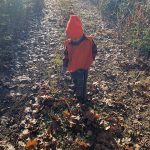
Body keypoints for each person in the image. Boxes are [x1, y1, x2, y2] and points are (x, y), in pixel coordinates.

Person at [62, 15, 97, 103]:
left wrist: (91, 58)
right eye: (72, 38)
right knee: (75, 78)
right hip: (73, 67)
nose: (74, 39)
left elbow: (94, 49)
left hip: (84, 66)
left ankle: (81, 96)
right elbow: (66, 55)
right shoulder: (69, 44)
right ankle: (76, 86)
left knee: (83, 82)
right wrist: (65, 65)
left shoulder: (88, 42)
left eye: (76, 37)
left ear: (81, 34)